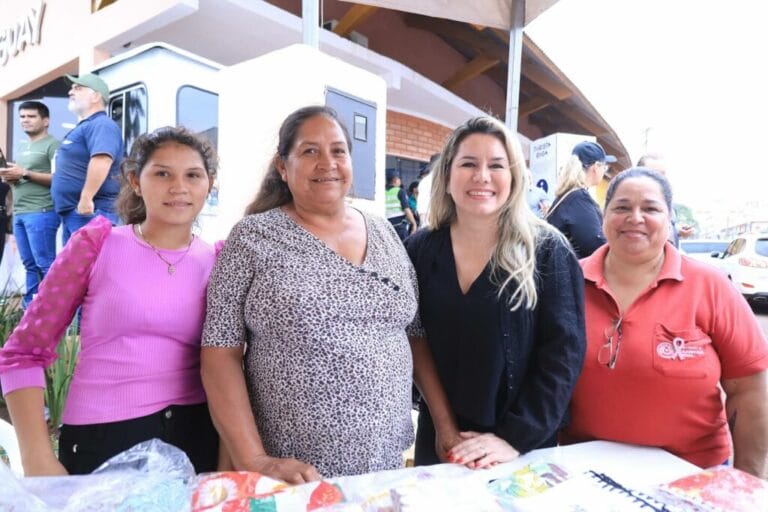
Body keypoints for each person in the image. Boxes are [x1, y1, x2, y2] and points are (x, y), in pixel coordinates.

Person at [201, 106, 418, 482]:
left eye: (338, 151)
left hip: (384, 465)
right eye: (309, 151)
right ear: (283, 167)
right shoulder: (253, 237)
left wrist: (444, 424)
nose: (327, 163)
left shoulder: (385, 233)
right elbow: (220, 353)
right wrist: (256, 459)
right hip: (294, 472)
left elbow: (414, 333)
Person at [0, 126, 220, 476]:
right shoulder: (96, 245)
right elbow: (22, 354)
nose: (179, 187)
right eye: (162, 173)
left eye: (193, 175)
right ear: (135, 180)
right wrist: (37, 457)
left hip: (196, 439)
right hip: (104, 438)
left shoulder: (219, 262)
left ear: (208, 184)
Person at [405, 116, 586, 469]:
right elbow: (413, 338)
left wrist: (513, 439)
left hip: (520, 448)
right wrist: (445, 429)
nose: (482, 176)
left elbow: (563, 355)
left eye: (496, 165)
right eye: (468, 163)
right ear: (447, 175)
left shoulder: (548, 250)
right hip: (441, 440)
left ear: (514, 176)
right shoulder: (420, 250)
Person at [562, 168, 768, 478]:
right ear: (604, 218)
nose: (635, 217)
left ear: (669, 218)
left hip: (692, 474)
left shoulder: (710, 286)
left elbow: (749, 390)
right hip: (583, 472)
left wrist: (748, 483)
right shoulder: (566, 281)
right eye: (621, 207)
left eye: (650, 208)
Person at [0, 101, 61, 308]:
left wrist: (24, 173)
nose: (25, 120)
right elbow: (23, 178)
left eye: (31, 116)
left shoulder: (53, 145)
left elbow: (59, 178)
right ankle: (31, 310)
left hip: (42, 211)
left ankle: (54, 311)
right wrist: (11, 177)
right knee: (29, 265)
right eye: (22, 116)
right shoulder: (22, 146)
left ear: (46, 121)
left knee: (46, 265)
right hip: (20, 212)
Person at [52, 73, 123, 244]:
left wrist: (86, 198)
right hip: (77, 212)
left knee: (92, 269)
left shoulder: (102, 124)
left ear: (96, 96)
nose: (71, 92)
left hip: (90, 212)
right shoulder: (87, 125)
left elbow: (102, 160)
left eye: (78, 88)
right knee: (76, 270)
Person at [546, 141, 616, 258]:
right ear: (596, 167)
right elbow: (597, 246)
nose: (605, 171)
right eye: (605, 166)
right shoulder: (579, 199)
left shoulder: (569, 195)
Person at [636, 153, 694, 247]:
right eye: (654, 174)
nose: (661, 178)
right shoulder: (633, 205)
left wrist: (677, 232)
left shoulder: (666, 201)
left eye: (663, 174)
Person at [385, 169, 418, 240]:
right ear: (395, 179)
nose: (400, 181)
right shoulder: (400, 191)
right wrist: (414, 223)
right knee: (403, 248)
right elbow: (406, 209)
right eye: (399, 179)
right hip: (399, 226)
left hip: (387, 226)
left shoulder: (383, 192)